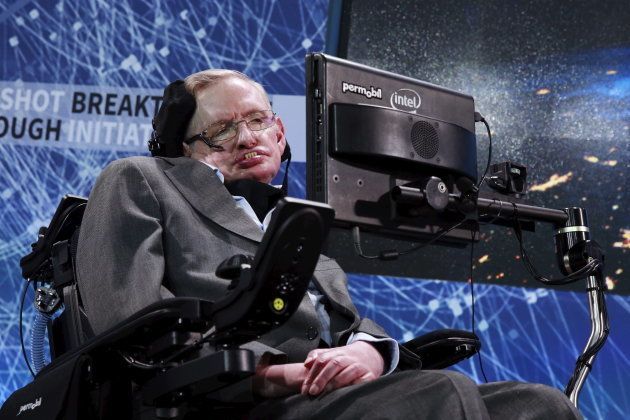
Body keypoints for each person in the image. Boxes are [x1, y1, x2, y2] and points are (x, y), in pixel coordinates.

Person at [76, 69, 581, 419]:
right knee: (437, 394)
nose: (247, 138)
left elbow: (350, 324)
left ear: (279, 133)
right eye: (221, 131)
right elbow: (134, 327)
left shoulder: (294, 226)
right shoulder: (140, 180)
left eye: (256, 121)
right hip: (230, 402)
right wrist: (280, 373)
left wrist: (371, 353)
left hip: (327, 397)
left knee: (539, 406)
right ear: (184, 151)